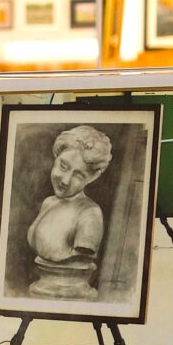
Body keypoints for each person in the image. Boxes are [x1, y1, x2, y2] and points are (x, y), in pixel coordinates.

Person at [26, 125, 113, 300]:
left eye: (78, 175)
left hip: (71, 295)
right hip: (40, 290)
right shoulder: (49, 203)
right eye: (63, 166)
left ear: (92, 177)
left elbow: (84, 252)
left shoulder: (90, 214)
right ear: (56, 158)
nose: (65, 180)